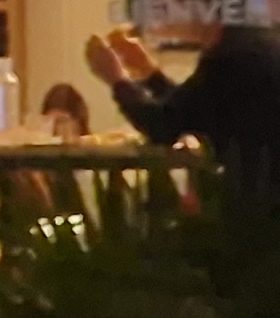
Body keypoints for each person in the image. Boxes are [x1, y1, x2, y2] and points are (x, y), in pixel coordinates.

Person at [86, 20, 280, 200]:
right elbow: (192, 108)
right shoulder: (257, 45)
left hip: (257, 193)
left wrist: (116, 79)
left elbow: (163, 125)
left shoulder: (228, 58)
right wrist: (149, 74)